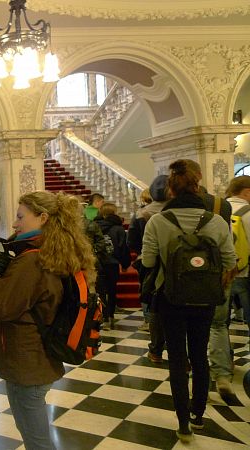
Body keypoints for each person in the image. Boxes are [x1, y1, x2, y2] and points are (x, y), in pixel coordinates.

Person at [0, 191, 97, 450]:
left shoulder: (32, 260)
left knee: (37, 441)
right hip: (37, 358)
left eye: (21, 216)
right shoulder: (50, 252)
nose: (14, 223)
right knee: (34, 434)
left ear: (43, 218)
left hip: (28, 361)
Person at [140, 160, 236, 442]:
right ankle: (198, 415)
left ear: (170, 190)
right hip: (205, 298)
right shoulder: (216, 221)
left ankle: (183, 422)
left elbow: (147, 260)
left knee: (178, 359)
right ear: (198, 186)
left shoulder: (158, 221)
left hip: (170, 297)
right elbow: (230, 260)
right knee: (199, 354)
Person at [180, 159, 236, 398]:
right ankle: (222, 374)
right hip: (216, 278)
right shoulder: (221, 207)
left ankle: (192, 370)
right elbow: (230, 255)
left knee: (186, 329)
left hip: (183, 281)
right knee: (218, 325)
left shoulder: (172, 214)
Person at [129, 174, 169, 362]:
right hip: (181, 266)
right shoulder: (185, 212)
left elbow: (133, 242)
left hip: (149, 263)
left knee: (154, 304)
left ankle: (156, 348)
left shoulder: (141, 214)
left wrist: (143, 255)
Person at [94, 202, 131, 330]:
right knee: (112, 290)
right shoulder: (118, 228)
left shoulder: (94, 226)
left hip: (97, 262)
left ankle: (102, 316)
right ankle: (110, 315)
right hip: (112, 263)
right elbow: (123, 248)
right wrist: (125, 264)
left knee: (100, 290)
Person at [226, 176, 250, 360]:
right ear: (247, 192)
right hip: (246, 272)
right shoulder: (248, 212)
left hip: (223, 274)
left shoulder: (217, 210)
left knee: (220, 324)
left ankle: (226, 361)